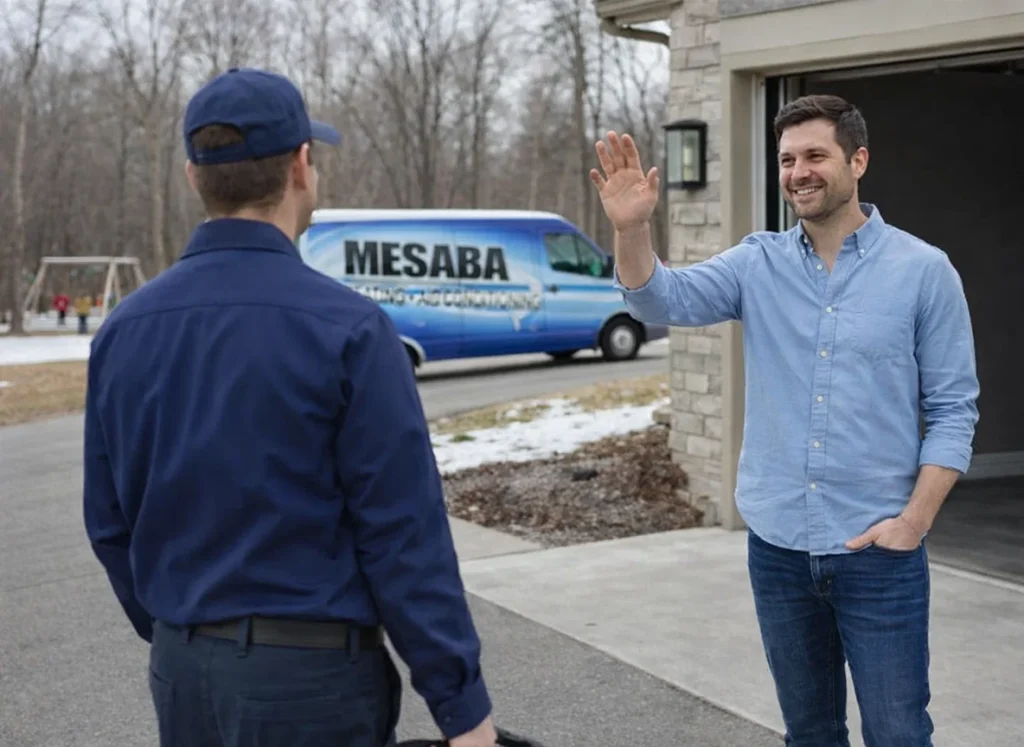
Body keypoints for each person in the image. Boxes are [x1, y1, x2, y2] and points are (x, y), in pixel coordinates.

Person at [82, 67, 497, 747]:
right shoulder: (351, 331)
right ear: (302, 165)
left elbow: (108, 523)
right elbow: (403, 537)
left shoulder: (125, 330)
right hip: (313, 685)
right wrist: (463, 709)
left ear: (194, 175)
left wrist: (181, 627)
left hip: (184, 673)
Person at [590, 94, 978, 747]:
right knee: (810, 732)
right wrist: (632, 230)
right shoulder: (756, 263)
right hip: (779, 552)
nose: (799, 171)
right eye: (787, 158)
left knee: (898, 731)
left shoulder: (923, 271)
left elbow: (953, 407)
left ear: (858, 160)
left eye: (815, 155)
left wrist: (913, 521)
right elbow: (660, 297)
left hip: (879, 553)